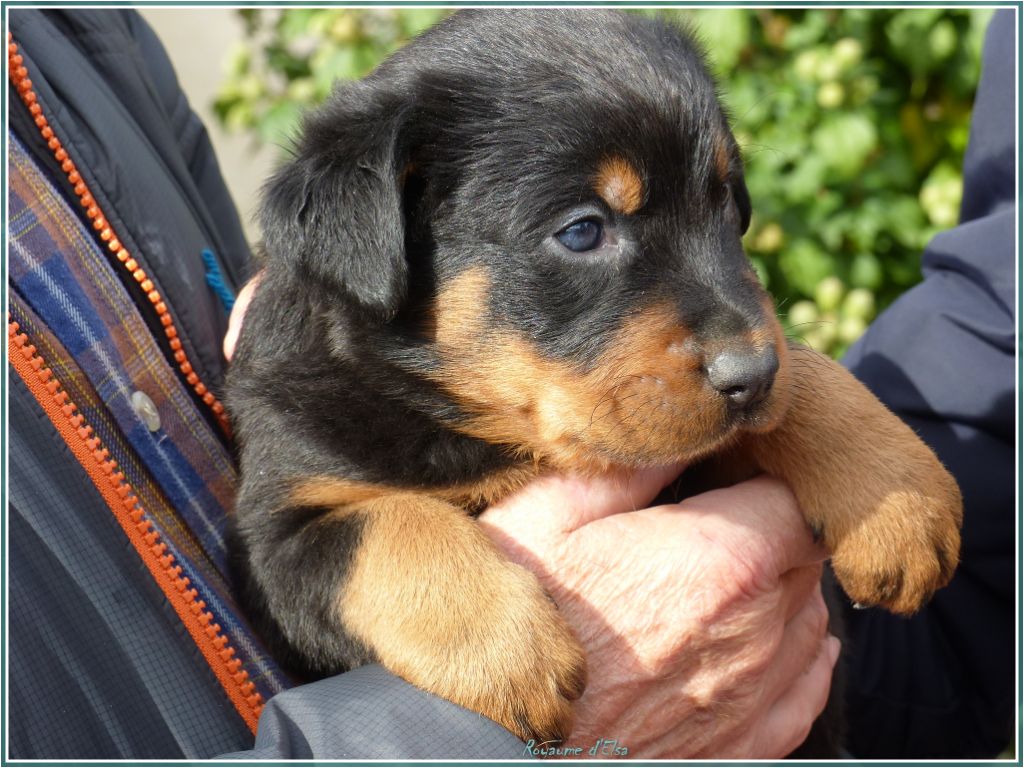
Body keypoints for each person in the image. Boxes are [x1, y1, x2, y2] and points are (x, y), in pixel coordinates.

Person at [7, 7, 1012, 760]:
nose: (740, 342)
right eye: (583, 231)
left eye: (720, 205)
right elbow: (293, 545)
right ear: (379, 231)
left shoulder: (76, 39)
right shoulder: (328, 409)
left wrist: (820, 417)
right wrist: (449, 707)